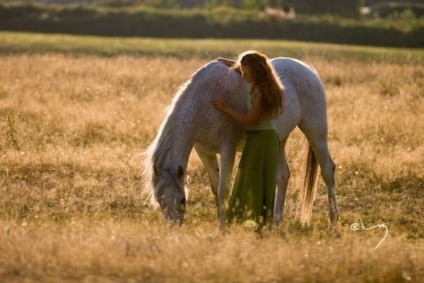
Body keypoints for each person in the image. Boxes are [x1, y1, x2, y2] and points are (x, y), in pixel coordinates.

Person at [213, 50, 284, 228]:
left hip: (262, 141)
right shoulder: (263, 83)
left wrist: (225, 108)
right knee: (253, 179)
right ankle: (255, 222)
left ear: (256, 72)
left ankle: (253, 222)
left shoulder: (261, 93)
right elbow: (242, 68)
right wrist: (227, 63)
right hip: (259, 139)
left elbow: (249, 120)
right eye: (242, 71)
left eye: (246, 72)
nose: (242, 75)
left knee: (254, 180)